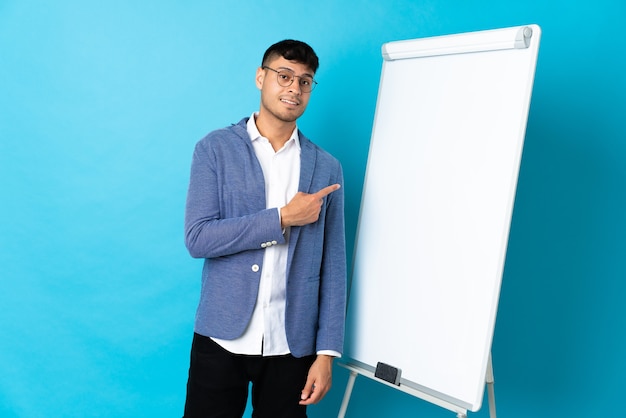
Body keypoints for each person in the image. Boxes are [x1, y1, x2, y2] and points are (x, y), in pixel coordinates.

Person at [182, 39, 347, 418]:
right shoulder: (215, 149)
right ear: (261, 77)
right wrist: (282, 218)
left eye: (305, 81)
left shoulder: (326, 167)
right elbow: (199, 237)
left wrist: (326, 354)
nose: (294, 88)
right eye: (284, 76)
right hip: (222, 336)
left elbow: (333, 269)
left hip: (293, 345)